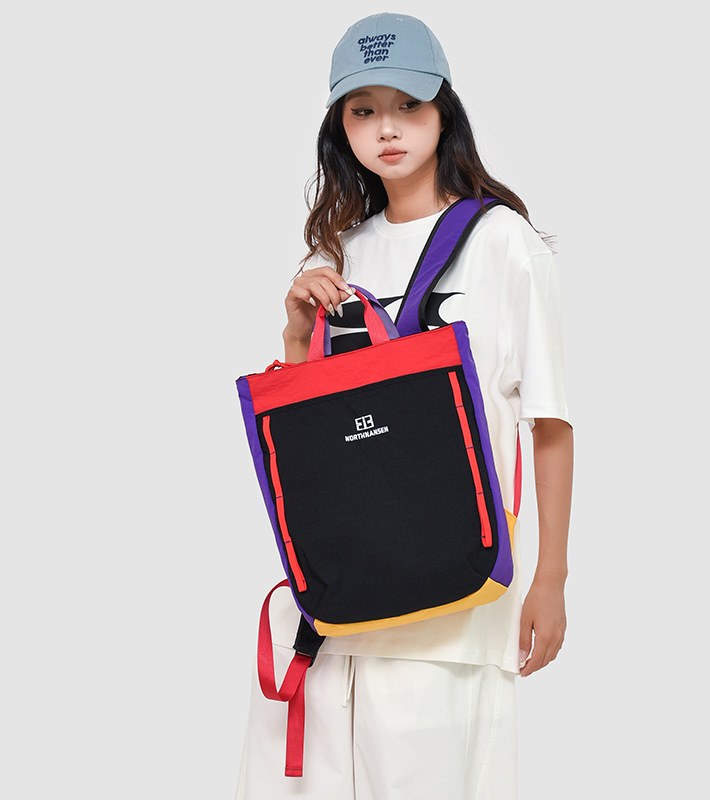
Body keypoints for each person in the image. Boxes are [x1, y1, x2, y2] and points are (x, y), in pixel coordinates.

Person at [235, 13, 573, 800]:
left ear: (443, 112)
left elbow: (549, 421)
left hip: (455, 608)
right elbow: (319, 439)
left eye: (408, 105)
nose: (387, 128)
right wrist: (297, 335)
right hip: (343, 607)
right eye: (364, 110)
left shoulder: (502, 243)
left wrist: (551, 577)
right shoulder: (338, 255)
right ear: (340, 127)